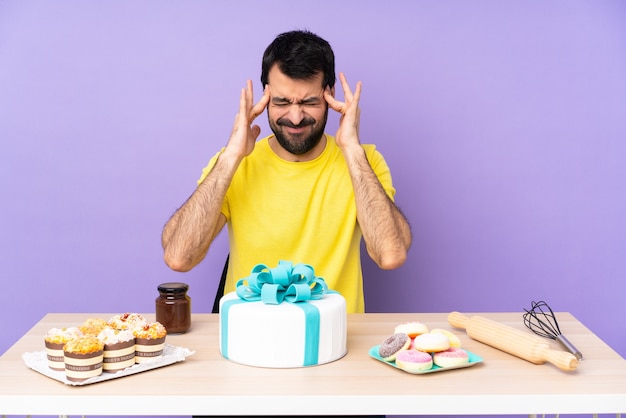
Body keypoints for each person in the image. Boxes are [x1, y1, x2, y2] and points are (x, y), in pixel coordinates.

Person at [162, 29, 412, 314]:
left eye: (309, 102)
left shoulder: (364, 161)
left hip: (332, 343)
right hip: (249, 341)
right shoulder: (235, 162)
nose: (295, 117)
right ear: (266, 96)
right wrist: (231, 155)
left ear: (329, 95)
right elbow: (179, 257)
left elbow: (390, 255)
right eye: (282, 102)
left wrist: (352, 150)